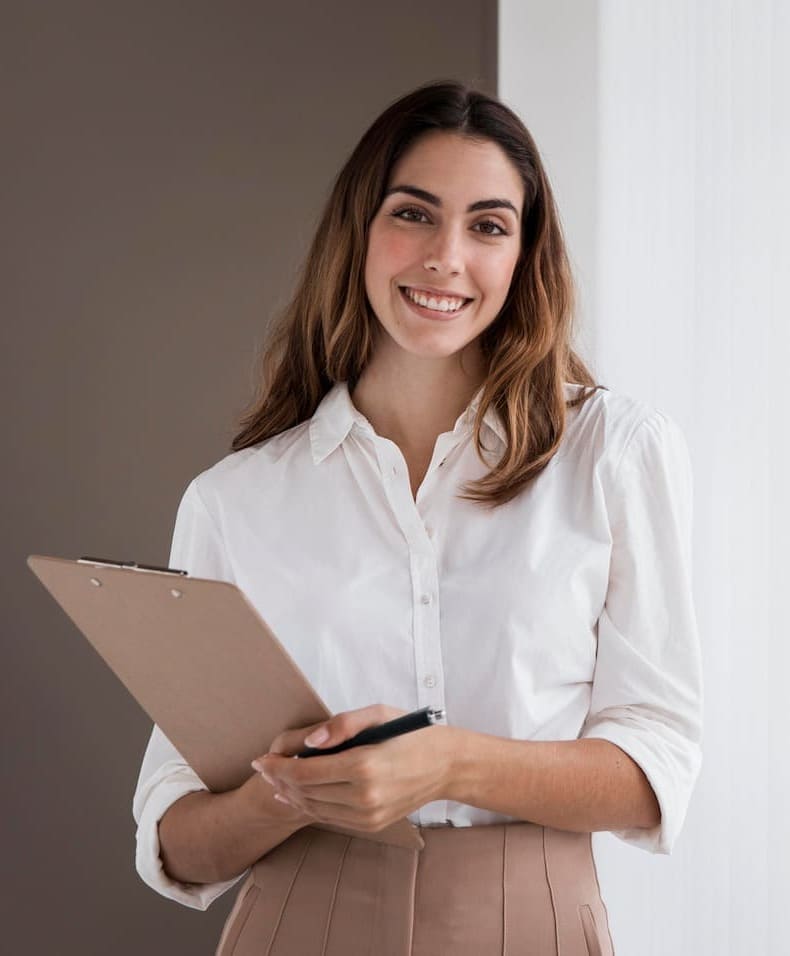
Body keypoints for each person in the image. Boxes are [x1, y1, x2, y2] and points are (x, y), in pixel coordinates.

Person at [132, 80, 703, 955]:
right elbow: (179, 840)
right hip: (297, 918)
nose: (445, 257)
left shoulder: (613, 452)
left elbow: (656, 767)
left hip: (534, 916)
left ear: (524, 255)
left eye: (487, 225)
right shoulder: (236, 498)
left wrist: (447, 762)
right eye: (413, 214)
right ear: (358, 231)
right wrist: (288, 791)